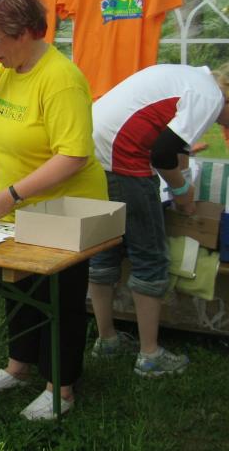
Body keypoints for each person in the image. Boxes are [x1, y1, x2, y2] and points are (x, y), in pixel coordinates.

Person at [0, 0, 108, 420]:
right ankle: (18, 366)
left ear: (25, 32)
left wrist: (12, 193)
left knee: (59, 299)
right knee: (20, 290)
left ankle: (60, 388)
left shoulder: (61, 79)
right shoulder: (6, 69)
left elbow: (73, 154)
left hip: (65, 210)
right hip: (20, 208)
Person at [88, 62, 229, 376]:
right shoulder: (209, 97)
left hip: (94, 154)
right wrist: (182, 191)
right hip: (122, 158)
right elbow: (162, 155)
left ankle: (107, 340)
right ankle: (150, 356)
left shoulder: (193, 79)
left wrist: (183, 181)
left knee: (106, 248)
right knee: (150, 256)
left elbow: (174, 145)